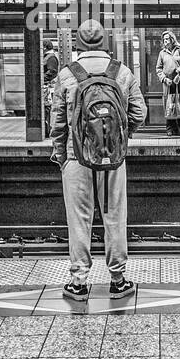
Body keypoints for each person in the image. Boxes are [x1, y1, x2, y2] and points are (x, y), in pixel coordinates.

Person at [50, 19, 147, 301]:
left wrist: (61, 154)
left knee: (78, 219)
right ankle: (117, 280)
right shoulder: (122, 72)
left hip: (76, 157)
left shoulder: (68, 75)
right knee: (114, 216)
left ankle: (78, 282)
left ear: (78, 44)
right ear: (105, 42)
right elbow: (138, 114)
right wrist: (118, 137)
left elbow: (57, 123)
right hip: (113, 158)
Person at [156, 29, 180, 136]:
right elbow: (158, 68)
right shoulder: (162, 53)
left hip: (179, 81)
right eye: (164, 39)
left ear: (172, 39)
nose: (165, 41)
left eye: (167, 39)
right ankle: (170, 129)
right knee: (169, 104)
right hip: (168, 82)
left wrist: (179, 74)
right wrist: (164, 79)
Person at [42, 39, 60, 110]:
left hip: (49, 88)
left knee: (48, 108)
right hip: (47, 88)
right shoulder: (49, 57)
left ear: (44, 47)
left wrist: (41, 78)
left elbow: (52, 71)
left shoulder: (51, 58)